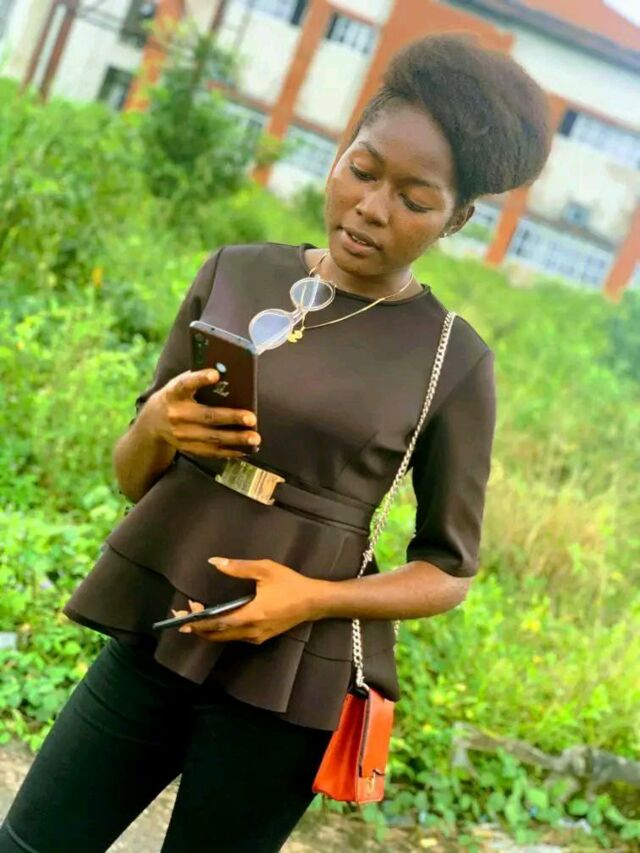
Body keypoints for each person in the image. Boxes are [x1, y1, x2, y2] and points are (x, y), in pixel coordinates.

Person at [0, 33, 551, 853]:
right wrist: (155, 426)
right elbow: (133, 477)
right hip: (160, 624)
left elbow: (448, 571)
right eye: (363, 170)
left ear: (456, 219)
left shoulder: (453, 358)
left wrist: (309, 598)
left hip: (292, 678)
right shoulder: (236, 271)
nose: (371, 207)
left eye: (413, 198)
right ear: (340, 153)